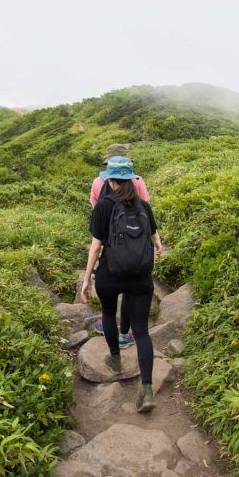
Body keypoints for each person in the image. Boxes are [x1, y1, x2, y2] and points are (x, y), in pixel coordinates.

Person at [81, 156, 165, 412]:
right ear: (131, 179)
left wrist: (87, 279)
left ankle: (115, 359)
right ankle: (147, 389)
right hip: (139, 276)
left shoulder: (103, 206)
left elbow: (96, 246)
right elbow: (153, 236)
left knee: (108, 312)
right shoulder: (143, 205)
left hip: (110, 273)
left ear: (110, 180)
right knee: (141, 332)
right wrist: (159, 244)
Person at [89, 145, 151, 348]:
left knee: (109, 298)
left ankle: (110, 333)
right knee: (129, 293)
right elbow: (144, 207)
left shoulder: (99, 181)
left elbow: (96, 208)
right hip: (135, 244)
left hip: (110, 248)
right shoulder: (138, 181)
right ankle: (124, 334)